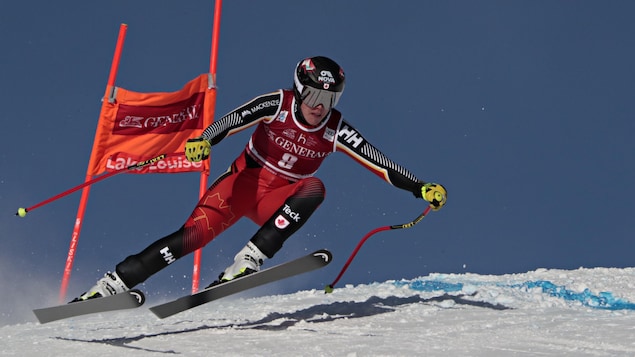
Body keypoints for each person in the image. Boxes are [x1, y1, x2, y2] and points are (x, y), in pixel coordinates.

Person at [72, 56, 447, 301]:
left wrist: (420, 188)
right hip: (239, 187)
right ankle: (109, 287)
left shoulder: (334, 129)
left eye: (329, 99)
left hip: (278, 198)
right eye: (314, 94)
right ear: (300, 90)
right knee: (187, 240)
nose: (320, 105)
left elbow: (378, 161)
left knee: (314, 188)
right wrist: (203, 141)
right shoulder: (278, 103)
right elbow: (233, 121)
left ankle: (249, 260)